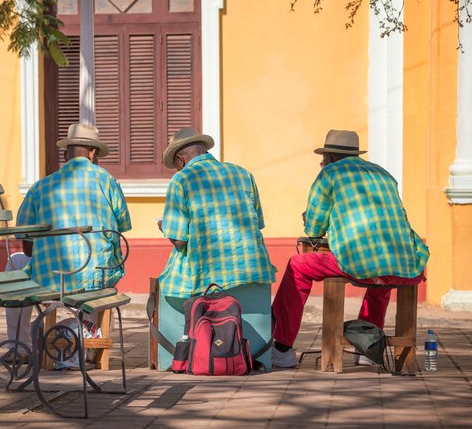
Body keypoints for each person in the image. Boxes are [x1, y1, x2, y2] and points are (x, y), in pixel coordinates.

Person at [270, 129, 430, 368]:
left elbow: (314, 229)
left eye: (324, 158)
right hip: (406, 261)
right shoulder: (384, 174)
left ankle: (281, 347)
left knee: (298, 266)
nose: (322, 163)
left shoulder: (330, 174)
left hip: (361, 262)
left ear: (331, 158)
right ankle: (366, 348)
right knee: (380, 267)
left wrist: (313, 220)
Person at [157, 127, 277, 369]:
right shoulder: (243, 174)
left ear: (181, 159)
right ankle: (256, 356)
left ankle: (183, 355)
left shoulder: (182, 179)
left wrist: (165, 227)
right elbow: (259, 222)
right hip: (252, 268)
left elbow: (180, 239)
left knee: (168, 280)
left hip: (207, 270)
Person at [15, 122, 132, 332]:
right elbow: (121, 226)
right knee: (97, 270)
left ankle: (19, 343)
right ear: (92, 153)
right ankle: (89, 341)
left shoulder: (41, 186)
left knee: (15, 263)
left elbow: (26, 242)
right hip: (98, 276)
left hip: (51, 278)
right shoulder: (107, 181)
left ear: (65, 156)